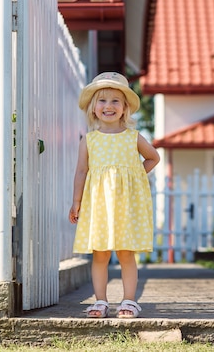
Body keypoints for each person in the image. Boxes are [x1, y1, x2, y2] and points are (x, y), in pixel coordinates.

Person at [68, 71, 160, 319]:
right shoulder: (89, 140)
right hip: (98, 205)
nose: (108, 106)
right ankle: (100, 302)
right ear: (93, 108)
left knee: (126, 253)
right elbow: (81, 172)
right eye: (102, 101)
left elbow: (153, 157)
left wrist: (136, 176)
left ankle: (129, 301)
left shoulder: (133, 137)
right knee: (100, 253)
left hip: (126, 205)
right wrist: (76, 202)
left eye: (115, 101)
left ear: (124, 108)